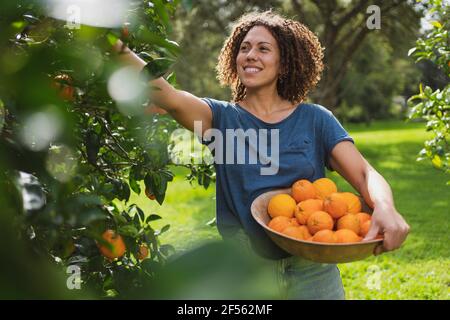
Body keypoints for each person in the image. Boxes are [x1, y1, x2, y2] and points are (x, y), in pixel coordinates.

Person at [111, 10, 410, 299]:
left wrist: (385, 206)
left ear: (285, 63)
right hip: (245, 272)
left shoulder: (316, 120)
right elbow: (167, 96)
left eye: (263, 48)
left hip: (313, 270)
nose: (251, 55)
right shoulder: (219, 118)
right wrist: (114, 44)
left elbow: (364, 174)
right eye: (245, 48)